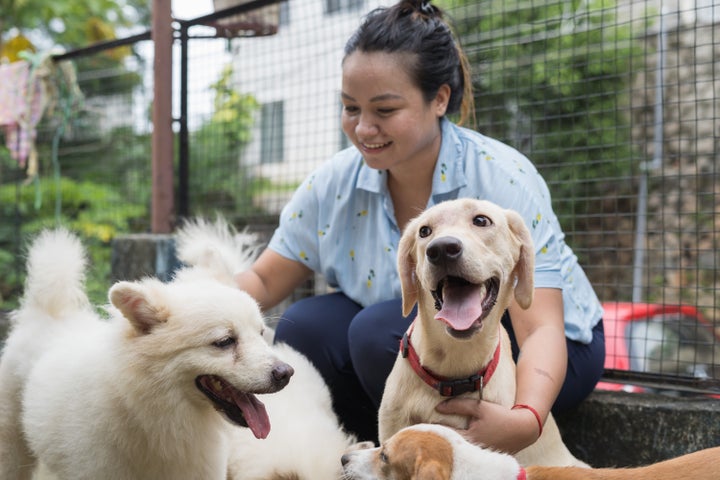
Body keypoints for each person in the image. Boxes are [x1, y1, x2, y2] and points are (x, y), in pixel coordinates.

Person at [234, 0, 605, 452]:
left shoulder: (500, 177)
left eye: (385, 110)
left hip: (547, 351)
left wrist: (525, 420)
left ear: (440, 99)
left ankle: (435, 460)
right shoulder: (332, 183)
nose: (364, 128)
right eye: (350, 108)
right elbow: (262, 278)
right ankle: (364, 453)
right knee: (305, 325)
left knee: (376, 333)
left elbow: (541, 328)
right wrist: (176, 322)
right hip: (424, 330)